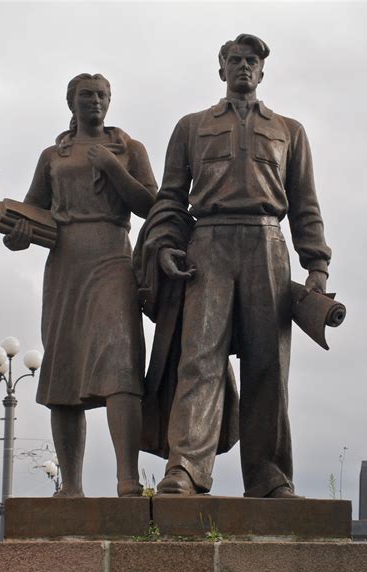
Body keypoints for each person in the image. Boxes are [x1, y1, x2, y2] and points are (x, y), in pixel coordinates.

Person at [135, 34, 331, 498]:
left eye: (252, 61)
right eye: (235, 60)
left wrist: (316, 266)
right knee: (198, 358)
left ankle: (268, 476)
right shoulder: (191, 127)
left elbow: (305, 204)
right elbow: (170, 196)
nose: (244, 67)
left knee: (268, 365)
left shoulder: (290, 130)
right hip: (209, 244)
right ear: (220, 69)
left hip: (268, 243)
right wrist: (164, 243)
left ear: (262, 72)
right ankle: (186, 468)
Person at [4, 73, 157, 497]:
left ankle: (128, 478)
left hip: (112, 256)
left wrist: (111, 167)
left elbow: (153, 206)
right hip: (65, 263)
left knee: (120, 361)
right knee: (64, 371)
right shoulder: (54, 154)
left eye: (102, 95)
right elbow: (32, 211)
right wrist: (17, 236)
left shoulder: (128, 149)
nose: (95, 101)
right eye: (86, 95)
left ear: (111, 101)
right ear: (70, 102)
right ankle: (70, 485)